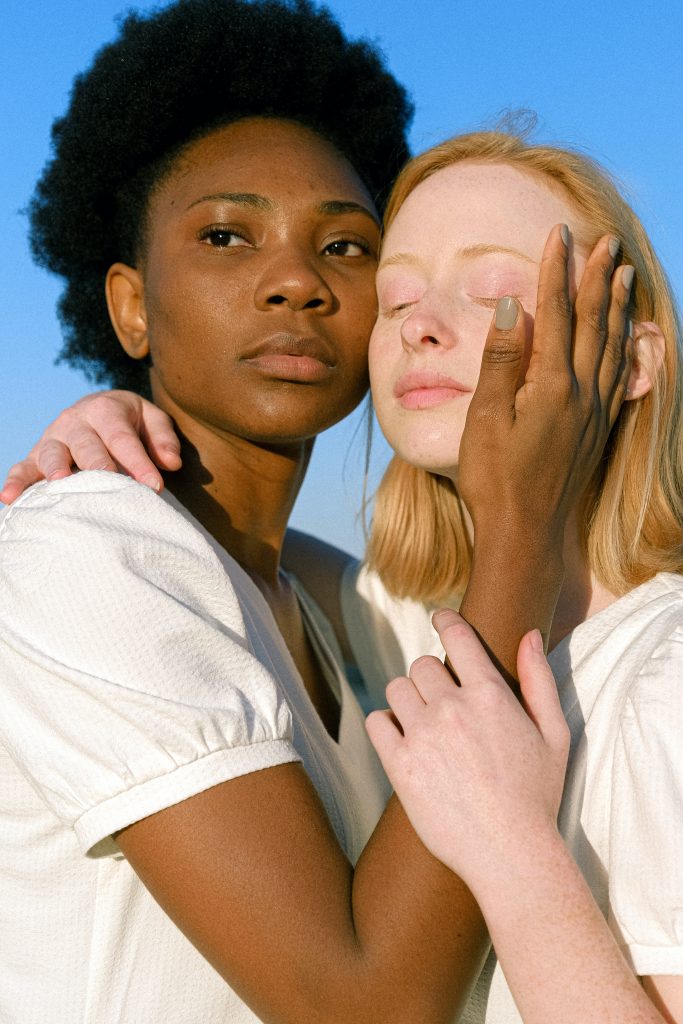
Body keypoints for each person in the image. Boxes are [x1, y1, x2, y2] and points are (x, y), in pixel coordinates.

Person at [0, 2, 629, 1022]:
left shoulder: (339, 606)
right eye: (223, 235)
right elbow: (359, 1004)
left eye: (344, 248)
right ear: (130, 306)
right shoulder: (85, 553)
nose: (295, 281)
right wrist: (522, 516)